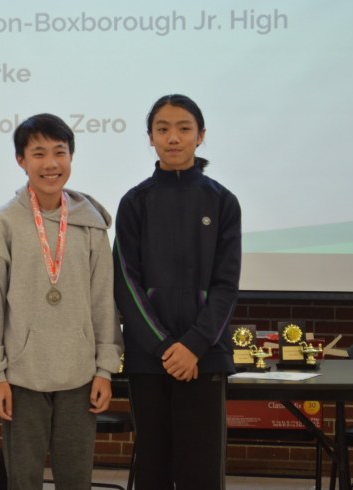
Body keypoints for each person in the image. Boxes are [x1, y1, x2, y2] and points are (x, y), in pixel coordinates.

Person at [0, 113, 124, 490]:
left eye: (60, 152)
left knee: (76, 479)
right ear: (21, 160)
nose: (51, 163)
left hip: (80, 374)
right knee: (23, 480)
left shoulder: (90, 223)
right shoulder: (2, 223)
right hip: (22, 376)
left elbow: (104, 300)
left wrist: (105, 369)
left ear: (71, 156)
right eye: (39, 154)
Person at [113, 94, 242, 489]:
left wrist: (194, 345)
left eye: (184, 129)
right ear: (150, 137)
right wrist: (165, 346)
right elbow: (125, 282)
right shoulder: (135, 202)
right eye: (163, 129)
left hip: (205, 357)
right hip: (149, 359)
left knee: (201, 472)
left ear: (200, 136)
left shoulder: (222, 202)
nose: (173, 138)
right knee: (153, 469)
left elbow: (226, 284)